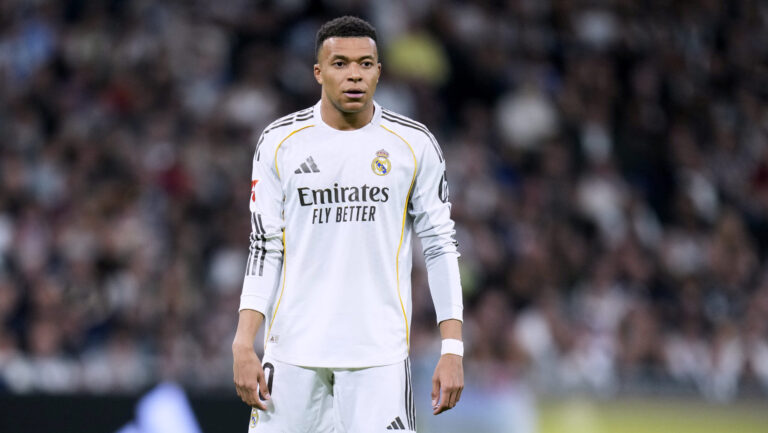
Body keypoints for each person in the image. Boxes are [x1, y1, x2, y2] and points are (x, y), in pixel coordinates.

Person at [232, 16, 464, 432]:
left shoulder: (414, 144)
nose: (354, 74)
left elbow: (441, 246)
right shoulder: (279, 142)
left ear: (379, 70)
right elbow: (264, 247)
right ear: (318, 72)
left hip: (378, 358)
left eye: (365, 63)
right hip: (291, 354)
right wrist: (243, 341)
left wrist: (452, 347)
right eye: (340, 63)